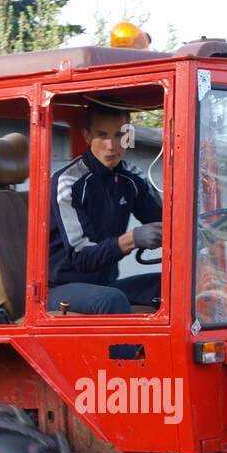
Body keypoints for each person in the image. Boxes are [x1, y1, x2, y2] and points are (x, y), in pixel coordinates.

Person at [48, 100, 163, 314]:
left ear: (129, 135)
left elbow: (166, 222)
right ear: (87, 136)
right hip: (60, 289)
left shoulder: (132, 176)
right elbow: (80, 257)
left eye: (119, 135)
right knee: (111, 300)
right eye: (102, 135)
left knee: (173, 287)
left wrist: (205, 229)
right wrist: (131, 239)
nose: (111, 145)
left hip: (106, 285)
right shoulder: (68, 182)